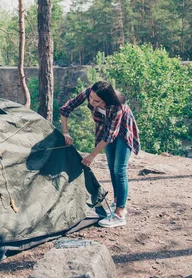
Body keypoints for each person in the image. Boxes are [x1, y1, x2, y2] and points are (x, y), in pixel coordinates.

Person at [59, 81, 140, 228]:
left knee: (119, 169)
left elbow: (110, 136)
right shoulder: (90, 92)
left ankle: (119, 214)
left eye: (96, 101)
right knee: (111, 167)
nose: (91, 102)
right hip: (105, 129)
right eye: (91, 98)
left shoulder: (117, 107)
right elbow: (65, 110)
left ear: (106, 100)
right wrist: (65, 132)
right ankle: (118, 202)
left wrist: (92, 155)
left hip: (123, 129)